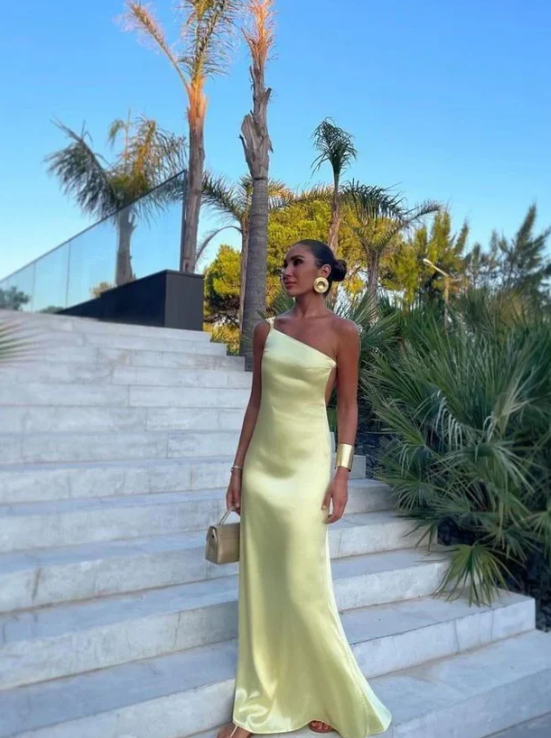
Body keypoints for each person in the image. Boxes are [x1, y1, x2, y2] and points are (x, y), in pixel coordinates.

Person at [216, 239, 392, 738]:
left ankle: (326, 692)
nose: (286, 271)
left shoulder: (344, 332)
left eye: (297, 262)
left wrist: (342, 473)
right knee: (261, 583)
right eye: (283, 263)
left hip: (309, 467)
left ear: (323, 272)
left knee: (302, 583)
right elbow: (256, 402)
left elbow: (348, 406)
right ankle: (259, 704)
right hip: (263, 467)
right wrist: (237, 469)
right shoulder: (267, 330)